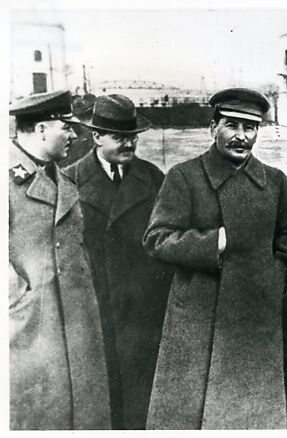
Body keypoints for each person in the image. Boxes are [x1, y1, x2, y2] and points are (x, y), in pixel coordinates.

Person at [143, 87, 287, 429]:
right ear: (213, 128)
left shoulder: (275, 182)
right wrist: (213, 243)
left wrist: (275, 278)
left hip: (254, 319)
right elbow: (156, 239)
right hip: (199, 319)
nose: (242, 137)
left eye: (251, 128)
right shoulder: (184, 176)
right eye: (232, 125)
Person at [64, 94, 173, 429]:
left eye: (133, 136)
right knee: (102, 392)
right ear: (96, 137)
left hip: (145, 305)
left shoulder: (154, 177)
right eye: (120, 137)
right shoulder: (69, 181)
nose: (129, 144)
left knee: (142, 395)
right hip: (97, 305)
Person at [8, 89, 111, 430]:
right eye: (66, 127)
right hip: (30, 325)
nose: (74, 134)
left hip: (76, 319)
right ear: (40, 130)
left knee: (82, 412)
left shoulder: (60, 177)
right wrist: (18, 298)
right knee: (36, 413)